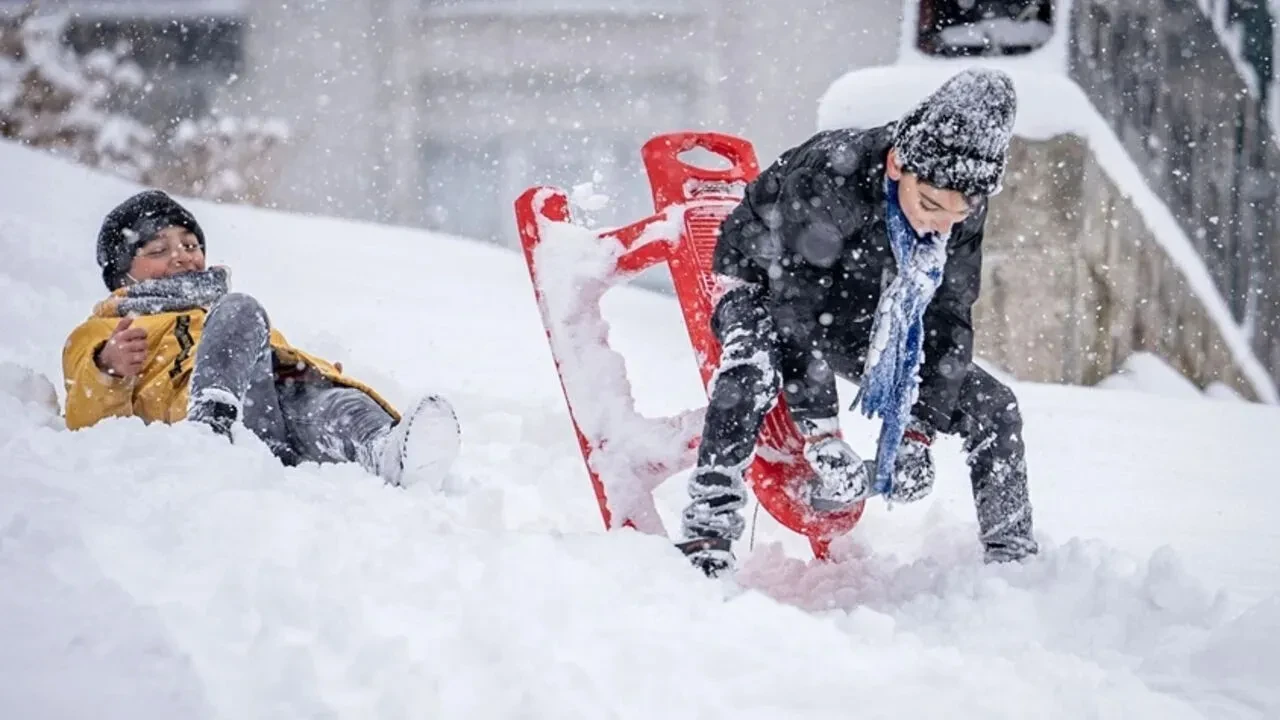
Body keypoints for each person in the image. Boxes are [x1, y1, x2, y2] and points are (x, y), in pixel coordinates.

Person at [675, 68, 1039, 577]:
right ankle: (706, 532)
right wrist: (820, 434)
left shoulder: (961, 202)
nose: (938, 225)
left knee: (995, 407)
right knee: (752, 368)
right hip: (764, 279)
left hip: (863, 300)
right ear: (896, 165)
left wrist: (920, 429)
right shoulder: (833, 173)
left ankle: (1014, 562)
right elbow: (796, 309)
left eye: (955, 216)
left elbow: (949, 315)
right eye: (929, 204)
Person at [62, 190, 461, 486]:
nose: (182, 256)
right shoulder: (104, 328)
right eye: (158, 249)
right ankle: (211, 425)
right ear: (122, 273)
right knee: (241, 309)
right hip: (206, 419)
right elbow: (83, 420)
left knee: (338, 403)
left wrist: (313, 372)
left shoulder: (217, 312)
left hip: (269, 414)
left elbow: (270, 353)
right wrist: (108, 369)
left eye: (190, 244)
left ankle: (386, 451)